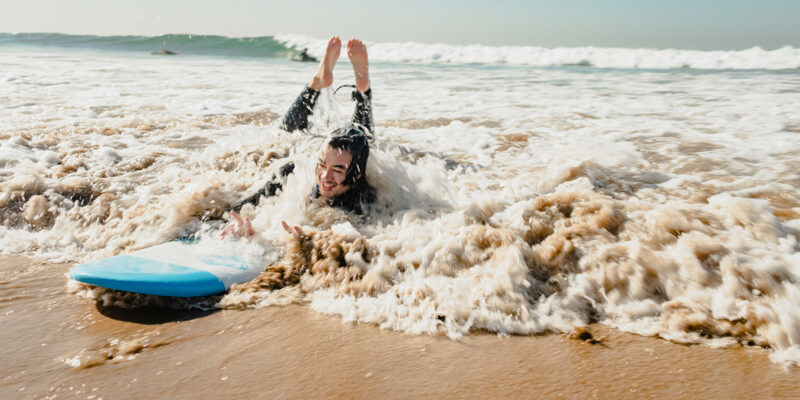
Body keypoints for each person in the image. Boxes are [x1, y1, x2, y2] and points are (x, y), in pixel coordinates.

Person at [221, 37, 375, 239]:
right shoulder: (293, 174)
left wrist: (307, 240)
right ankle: (318, 82)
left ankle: (362, 87)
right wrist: (242, 225)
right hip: (319, 151)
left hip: (356, 169)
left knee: (364, 138)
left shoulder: (364, 201)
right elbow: (240, 210)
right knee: (286, 133)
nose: (325, 177)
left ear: (355, 176)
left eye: (337, 170)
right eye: (322, 165)